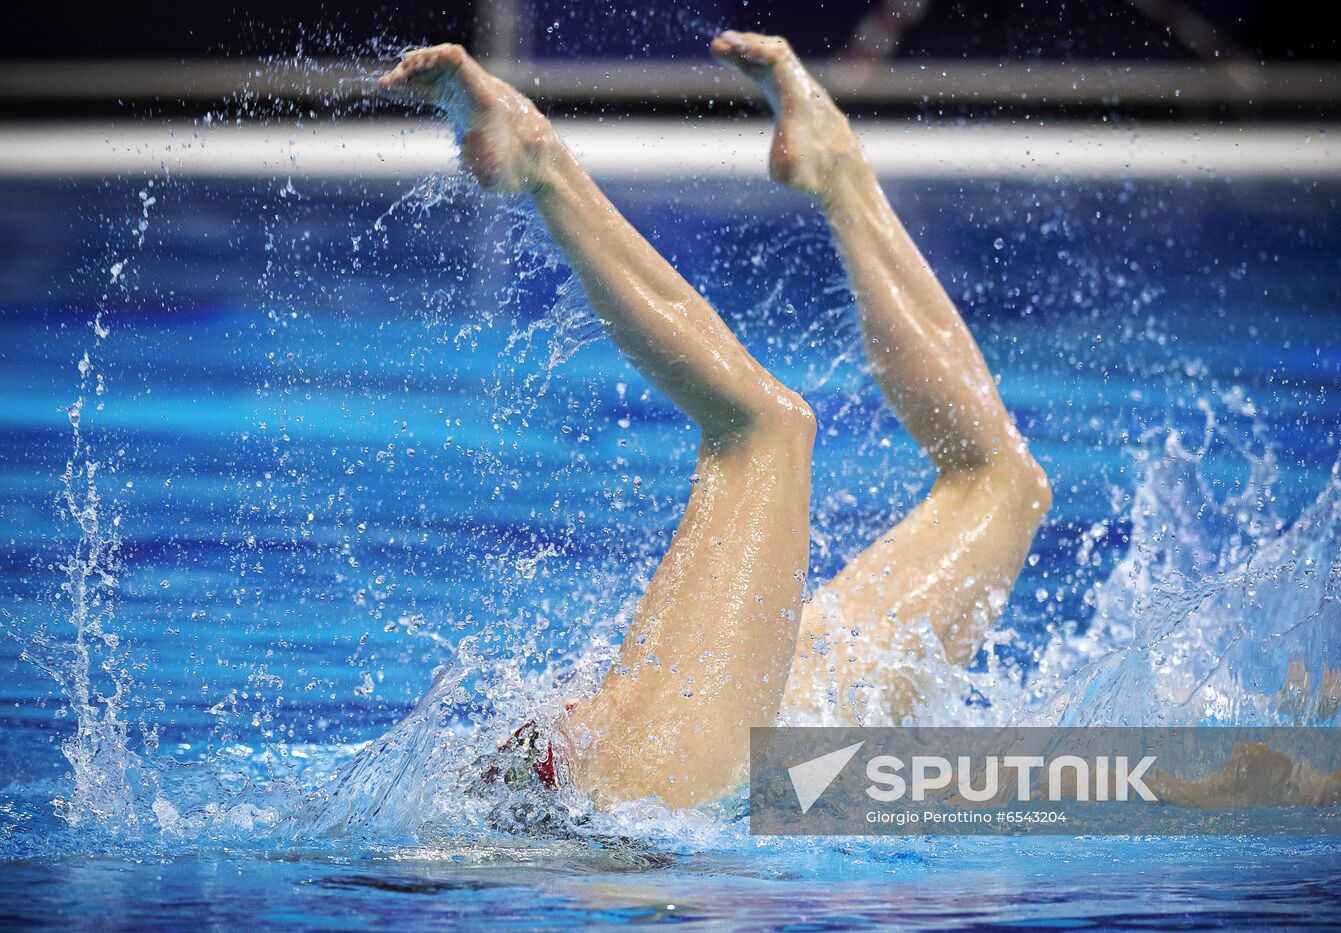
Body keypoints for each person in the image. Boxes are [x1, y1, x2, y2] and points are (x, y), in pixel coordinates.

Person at [377, 31, 1051, 811]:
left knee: (999, 482)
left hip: (651, 783)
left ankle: (837, 173)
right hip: (643, 798)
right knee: (766, 430)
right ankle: (541, 166)